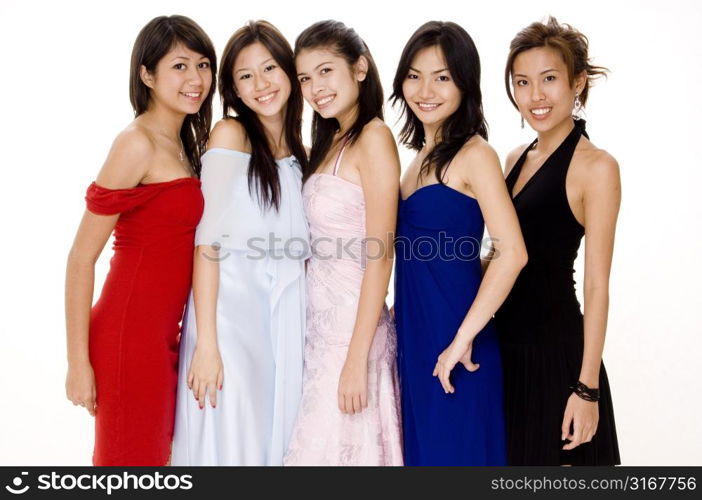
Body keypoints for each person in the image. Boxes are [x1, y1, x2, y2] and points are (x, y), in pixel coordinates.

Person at [64, 15, 216, 465]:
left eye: (203, 65)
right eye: (180, 66)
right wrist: (77, 362)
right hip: (128, 337)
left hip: (164, 337)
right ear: (147, 75)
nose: (196, 79)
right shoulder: (136, 143)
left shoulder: (185, 143)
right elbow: (80, 258)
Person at [171, 20, 309, 466]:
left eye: (269, 68)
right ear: (231, 88)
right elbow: (206, 245)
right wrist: (207, 344)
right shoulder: (232, 136)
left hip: (276, 324)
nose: (261, 84)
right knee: (231, 444)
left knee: (270, 442)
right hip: (228, 326)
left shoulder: (298, 150)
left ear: (289, 72)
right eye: (245, 76)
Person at [391, 21, 526, 466]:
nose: (425, 89)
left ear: (465, 84)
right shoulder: (414, 161)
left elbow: (513, 252)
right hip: (416, 334)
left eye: (442, 77)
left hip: (458, 340)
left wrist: (463, 338)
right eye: (414, 75)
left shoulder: (475, 154)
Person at [494, 16, 621, 465]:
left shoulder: (596, 167)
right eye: (522, 82)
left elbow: (596, 286)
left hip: (556, 357)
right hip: (503, 352)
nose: (535, 96)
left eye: (549, 79)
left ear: (578, 82)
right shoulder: (513, 158)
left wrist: (586, 389)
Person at [283, 20, 403, 466]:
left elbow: (380, 254)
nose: (315, 87)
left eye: (325, 71)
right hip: (322, 332)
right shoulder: (332, 139)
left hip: (355, 334)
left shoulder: (374, 138)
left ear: (359, 68)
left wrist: (356, 359)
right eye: (305, 78)